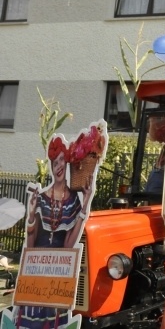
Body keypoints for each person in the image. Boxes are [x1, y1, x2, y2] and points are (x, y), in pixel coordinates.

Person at [21, 135, 95, 328]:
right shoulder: (41, 198)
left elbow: (68, 245)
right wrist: (31, 214)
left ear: (67, 162)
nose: (59, 165)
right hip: (36, 272)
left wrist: (85, 203)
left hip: (58, 275)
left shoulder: (73, 201)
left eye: (62, 160)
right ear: (52, 167)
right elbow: (30, 245)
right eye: (55, 162)